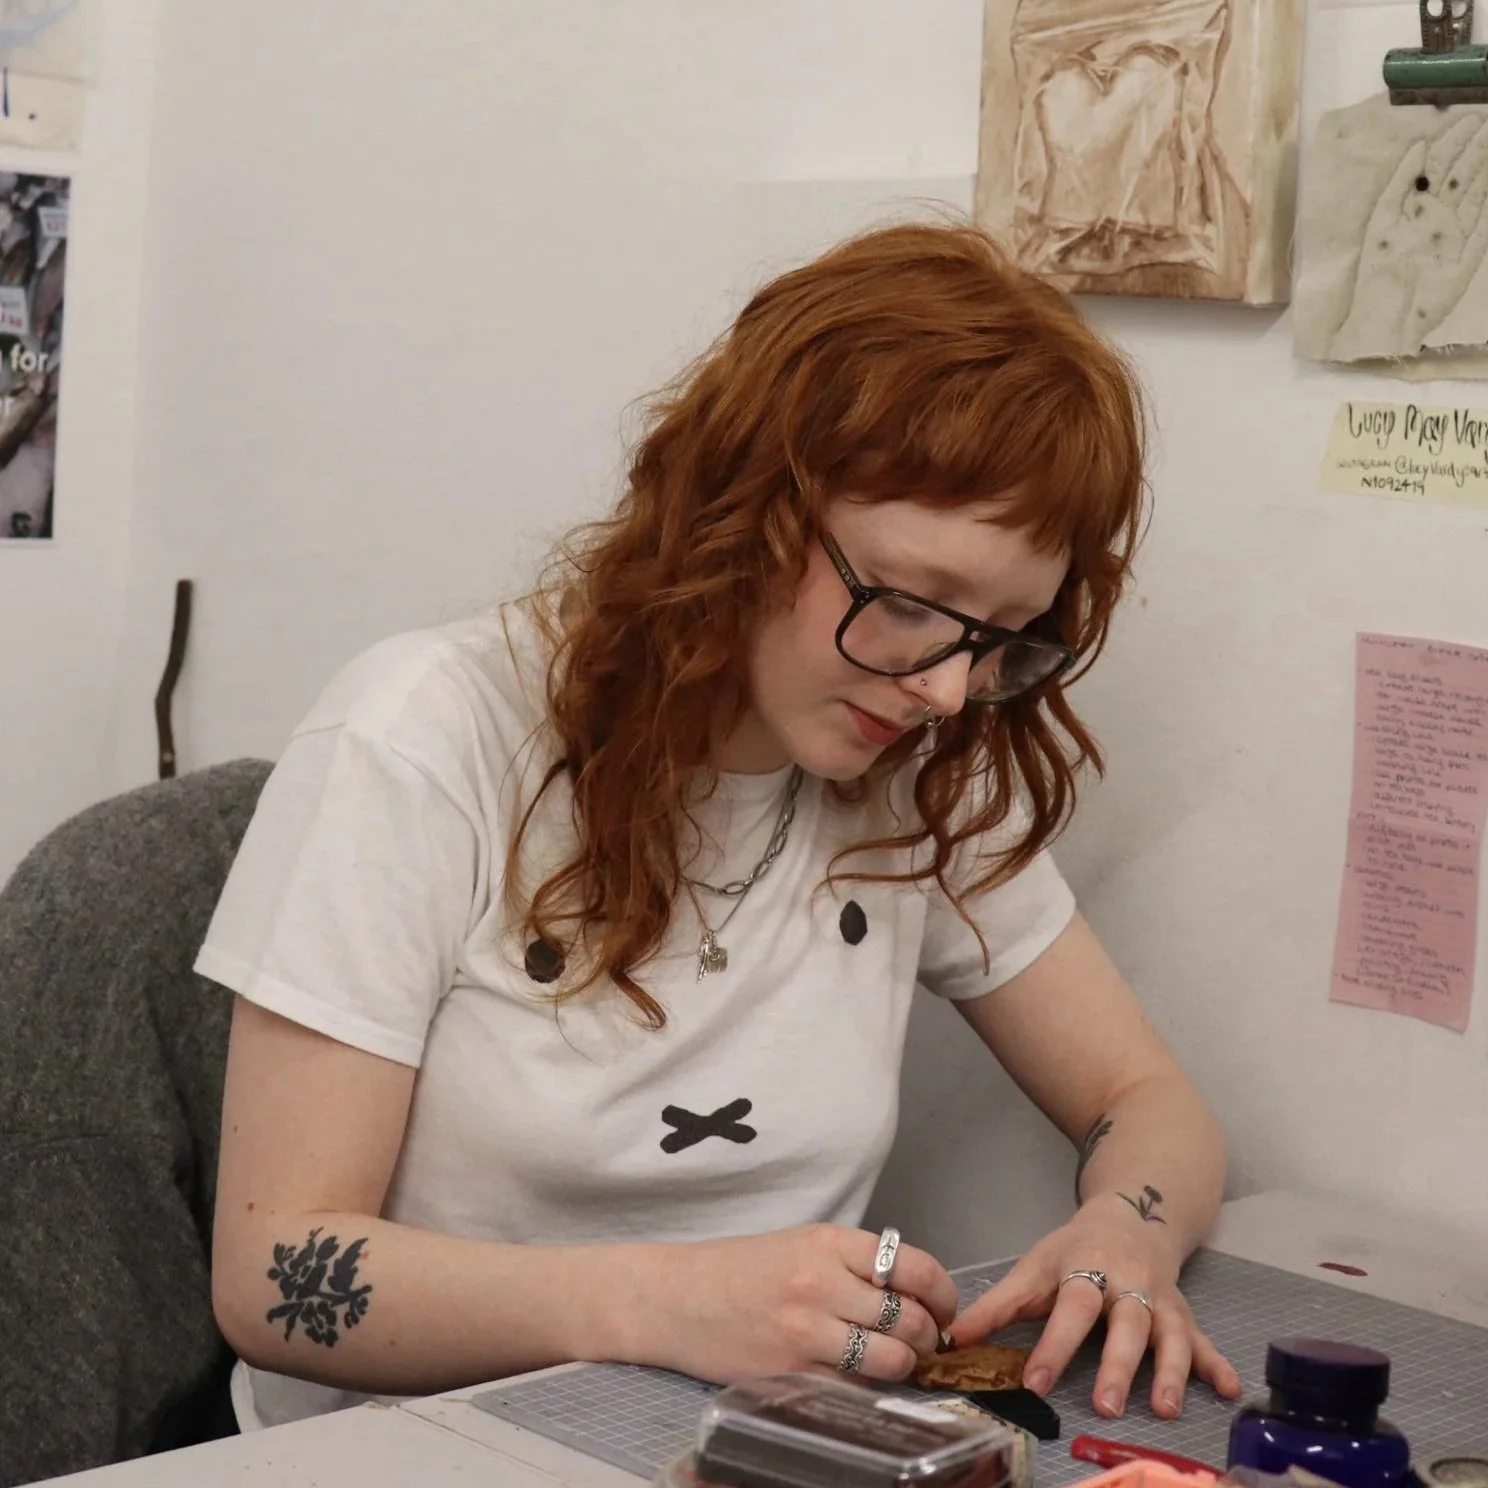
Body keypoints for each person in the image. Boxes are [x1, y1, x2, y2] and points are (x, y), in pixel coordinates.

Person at [202, 219, 1242, 1435]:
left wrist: (1128, 1226)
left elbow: (1146, 1096)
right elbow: (272, 1280)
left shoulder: (922, 767)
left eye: (1001, 638)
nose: (947, 689)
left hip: (742, 1443)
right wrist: (666, 1302)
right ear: (744, 511)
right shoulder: (427, 734)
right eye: (911, 602)